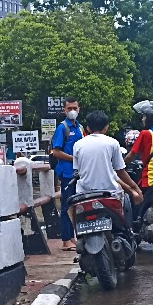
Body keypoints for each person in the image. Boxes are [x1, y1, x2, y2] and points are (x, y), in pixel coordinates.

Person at [72, 111, 143, 227]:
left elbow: (78, 170)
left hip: (84, 194)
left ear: (88, 128)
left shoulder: (78, 145)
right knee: (124, 224)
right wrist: (135, 189)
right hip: (110, 194)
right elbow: (120, 171)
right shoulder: (113, 143)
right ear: (106, 127)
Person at [52, 97, 84, 251]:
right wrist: (74, 159)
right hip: (66, 173)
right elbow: (56, 151)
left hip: (79, 173)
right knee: (66, 206)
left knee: (77, 205)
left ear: (79, 109)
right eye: (69, 108)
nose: (72, 111)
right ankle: (66, 240)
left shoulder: (80, 128)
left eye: (74, 108)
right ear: (64, 110)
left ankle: (72, 237)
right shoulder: (62, 128)